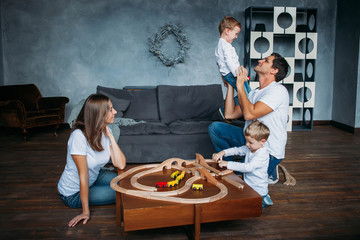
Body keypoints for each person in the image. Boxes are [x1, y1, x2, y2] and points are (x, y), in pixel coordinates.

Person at [209, 53, 289, 184]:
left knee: (242, 184)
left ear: (274, 70)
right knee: (215, 128)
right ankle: (231, 167)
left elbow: (249, 114)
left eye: (266, 60)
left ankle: (269, 168)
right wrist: (231, 85)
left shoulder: (278, 91)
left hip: (267, 150)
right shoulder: (254, 93)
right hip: (251, 142)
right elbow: (229, 115)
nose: (260, 60)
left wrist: (240, 85)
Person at [57, 94, 126, 227]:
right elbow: (83, 175)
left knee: (126, 182)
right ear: (99, 114)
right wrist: (85, 212)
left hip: (94, 176)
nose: (115, 112)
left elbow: (120, 164)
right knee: (124, 191)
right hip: (73, 193)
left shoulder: (105, 131)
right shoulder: (78, 137)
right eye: (111, 109)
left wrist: (110, 136)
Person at [212, 120, 273, 208]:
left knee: (247, 208)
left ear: (262, 141)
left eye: (250, 142)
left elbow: (248, 167)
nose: (247, 144)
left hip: (258, 190)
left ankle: (264, 200)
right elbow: (237, 150)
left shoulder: (262, 154)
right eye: (246, 141)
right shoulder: (250, 148)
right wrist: (223, 152)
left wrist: (227, 163)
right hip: (249, 187)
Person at [215, 16, 251, 117]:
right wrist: (238, 74)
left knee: (248, 93)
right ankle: (224, 109)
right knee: (246, 95)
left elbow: (219, 63)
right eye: (236, 34)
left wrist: (223, 76)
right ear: (227, 31)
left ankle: (225, 109)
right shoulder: (225, 46)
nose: (236, 37)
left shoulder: (221, 44)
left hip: (230, 74)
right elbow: (229, 62)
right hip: (233, 74)